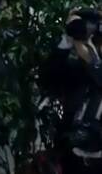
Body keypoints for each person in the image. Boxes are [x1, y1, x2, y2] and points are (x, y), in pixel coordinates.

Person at [39, 9, 102, 173]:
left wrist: (88, 56)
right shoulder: (78, 68)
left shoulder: (92, 62)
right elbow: (47, 79)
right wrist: (67, 41)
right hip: (71, 159)